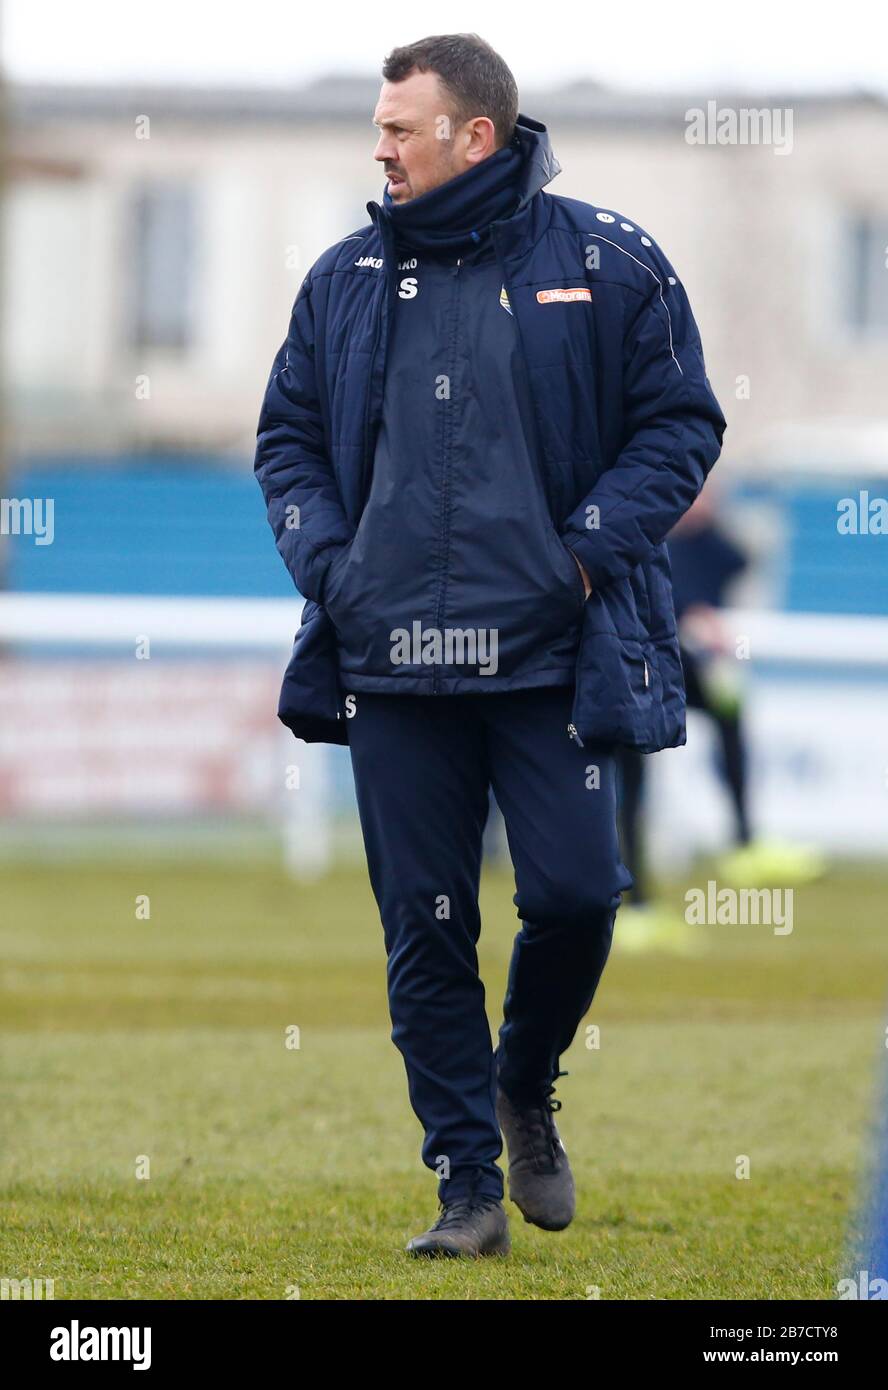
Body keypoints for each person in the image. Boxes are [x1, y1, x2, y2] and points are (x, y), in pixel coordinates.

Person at [254, 32, 726, 1258]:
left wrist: (578, 557)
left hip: (550, 657)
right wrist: (332, 570)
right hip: (390, 662)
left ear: (474, 135)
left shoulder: (612, 261)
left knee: (575, 894)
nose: (379, 148)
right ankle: (466, 1185)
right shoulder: (344, 276)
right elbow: (287, 441)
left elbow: (680, 425)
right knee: (426, 922)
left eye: (399, 129)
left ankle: (526, 1085)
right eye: (378, 126)